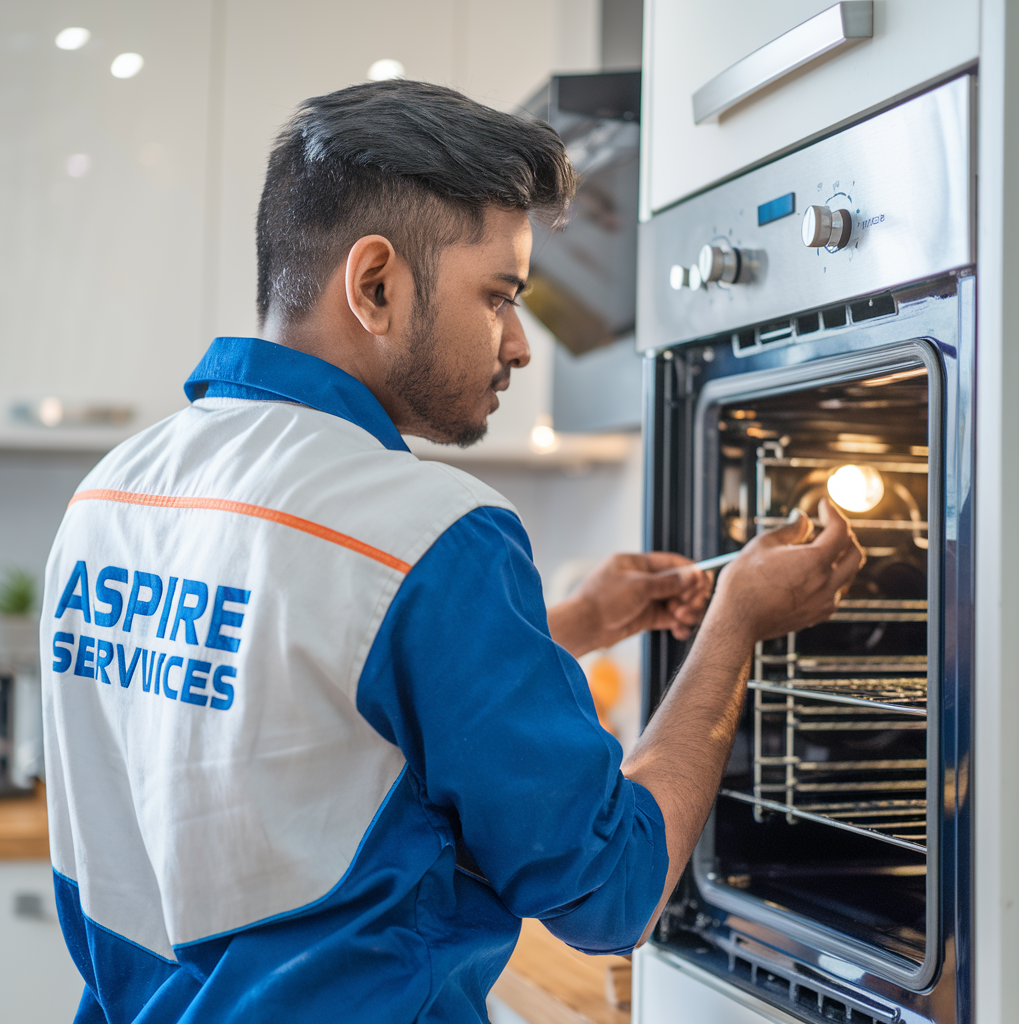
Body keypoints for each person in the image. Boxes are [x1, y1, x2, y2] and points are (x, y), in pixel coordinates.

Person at [41, 80, 863, 1024]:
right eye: (499, 297)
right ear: (377, 284)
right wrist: (738, 624)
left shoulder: (115, 490)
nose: (517, 345)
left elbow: (306, 712)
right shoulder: (430, 529)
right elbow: (612, 888)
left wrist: (580, 622)